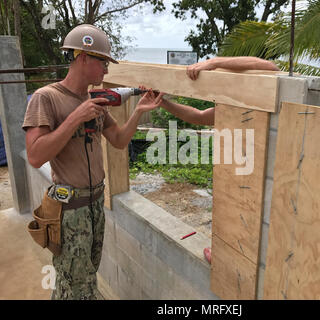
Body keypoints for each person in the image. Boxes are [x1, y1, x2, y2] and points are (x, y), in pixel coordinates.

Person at [23, 24, 163, 300]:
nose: (107, 71)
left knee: (81, 280)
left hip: (95, 204)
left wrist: (138, 112)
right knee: (76, 287)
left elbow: (119, 141)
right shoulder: (46, 98)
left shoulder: (94, 101)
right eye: (103, 62)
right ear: (83, 57)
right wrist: (76, 116)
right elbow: (35, 155)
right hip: (69, 208)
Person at [158, 56, 280, 264]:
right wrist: (162, 103)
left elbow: (270, 67)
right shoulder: (233, 105)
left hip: (271, 170)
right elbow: (199, 116)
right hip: (240, 170)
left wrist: (213, 62)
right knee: (233, 209)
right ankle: (226, 257)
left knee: (263, 220)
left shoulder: (260, 95)